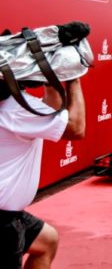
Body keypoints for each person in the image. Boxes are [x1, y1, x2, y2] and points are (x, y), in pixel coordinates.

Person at [0, 78, 86, 268]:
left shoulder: (20, 107)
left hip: (9, 214)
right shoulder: (18, 109)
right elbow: (76, 128)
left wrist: (50, 81)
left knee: (47, 241)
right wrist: (73, 78)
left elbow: (51, 112)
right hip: (3, 220)